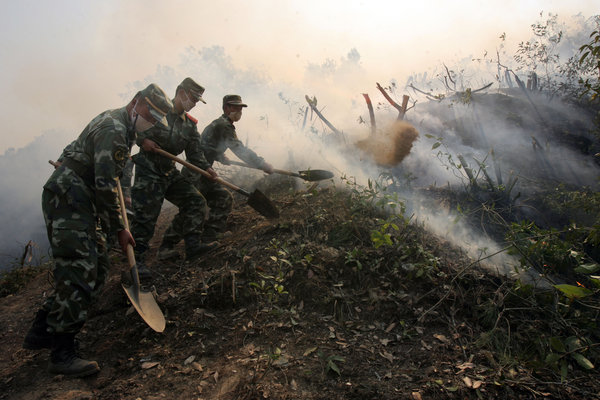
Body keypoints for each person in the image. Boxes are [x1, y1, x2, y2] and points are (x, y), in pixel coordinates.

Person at [22, 83, 173, 377]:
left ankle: (42, 330)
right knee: (80, 268)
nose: (151, 121)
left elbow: (84, 156)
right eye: (150, 114)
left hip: (80, 198)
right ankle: (61, 352)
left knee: (99, 266)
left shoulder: (120, 125)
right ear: (136, 102)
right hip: (69, 198)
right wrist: (119, 229)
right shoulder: (115, 129)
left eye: (156, 119)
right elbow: (106, 185)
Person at [158, 95, 273, 259]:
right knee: (192, 207)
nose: (239, 111)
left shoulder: (221, 124)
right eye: (235, 107)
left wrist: (219, 156)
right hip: (196, 171)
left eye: (241, 108)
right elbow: (238, 148)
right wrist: (261, 164)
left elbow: (206, 145)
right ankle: (166, 246)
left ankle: (210, 236)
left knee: (223, 198)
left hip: (205, 170)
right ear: (226, 108)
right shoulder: (223, 125)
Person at [129, 78, 217, 275]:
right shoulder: (158, 109)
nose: (193, 103)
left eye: (196, 100)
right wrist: (144, 141)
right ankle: (136, 263)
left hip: (169, 171)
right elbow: (134, 125)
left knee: (195, 202)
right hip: (149, 171)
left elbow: (195, 155)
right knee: (146, 217)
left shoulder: (190, 126)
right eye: (192, 98)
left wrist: (207, 169)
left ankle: (192, 246)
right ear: (180, 92)